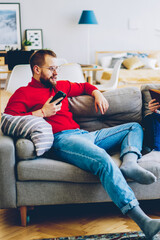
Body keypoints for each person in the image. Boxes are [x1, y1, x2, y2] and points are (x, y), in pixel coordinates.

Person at [4, 49, 160, 239]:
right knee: (103, 160)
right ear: (36, 69)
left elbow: (85, 86)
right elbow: (8, 121)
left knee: (133, 127)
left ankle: (129, 163)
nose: (56, 72)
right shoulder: (23, 93)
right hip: (62, 140)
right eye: (51, 68)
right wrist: (42, 112)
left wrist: (97, 93)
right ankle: (143, 220)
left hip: (85, 135)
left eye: (57, 68)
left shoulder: (60, 86)